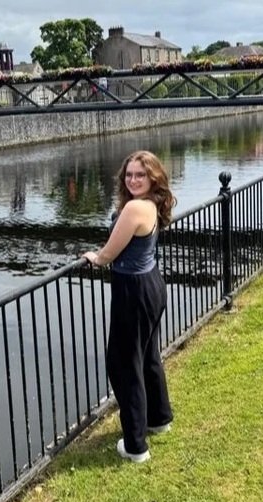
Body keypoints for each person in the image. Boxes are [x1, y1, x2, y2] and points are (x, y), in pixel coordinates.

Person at [83, 150, 176, 463]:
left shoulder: (135, 207)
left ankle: (136, 446)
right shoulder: (150, 203)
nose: (133, 179)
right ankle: (159, 418)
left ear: (153, 177)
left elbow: (108, 254)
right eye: (129, 174)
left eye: (140, 174)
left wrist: (95, 257)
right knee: (147, 356)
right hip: (150, 284)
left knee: (124, 365)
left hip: (133, 290)